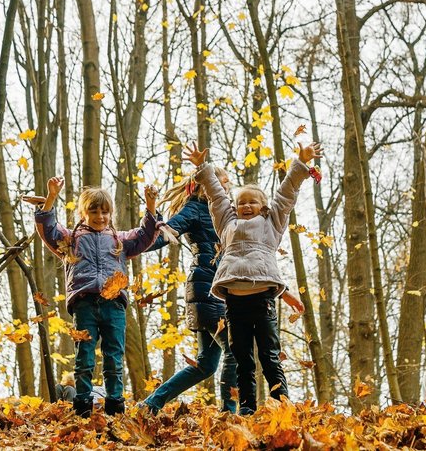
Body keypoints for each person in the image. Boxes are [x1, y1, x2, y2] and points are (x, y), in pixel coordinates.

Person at [185, 140, 320, 415]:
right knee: (242, 358)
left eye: (252, 202)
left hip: (263, 301)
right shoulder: (227, 224)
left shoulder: (272, 223)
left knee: (269, 357)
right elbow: (216, 196)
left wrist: (301, 163)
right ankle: (247, 407)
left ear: (263, 206)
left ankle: (282, 406)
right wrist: (202, 167)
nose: (246, 206)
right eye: (241, 202)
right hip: (234, 304)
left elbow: (286, 193)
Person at [31, 176, 160, 417]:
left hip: (114, 305)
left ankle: (115, 406)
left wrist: (150, 205)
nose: (100, 217)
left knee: (114, 356)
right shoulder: (72, 239)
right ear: (83, 212)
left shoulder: (119, 240)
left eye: (105, 212)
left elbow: (145, 235)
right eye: (94, 211)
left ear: (111, 213)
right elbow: (48, 229)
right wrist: (51, 197)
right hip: (85, 303)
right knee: (85, 358)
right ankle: (82, 406)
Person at [141, 169, 238, 414]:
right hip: (208, 289)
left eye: (227, 183)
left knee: (205, 365)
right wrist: (151, 222)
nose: (226, 187)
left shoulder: (224, 213)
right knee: (235, 351)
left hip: (217, 289)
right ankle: (230, 414)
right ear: (201, 186)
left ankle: (151, 403)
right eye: (220, 182)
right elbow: (160, 238)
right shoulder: (195, 209)